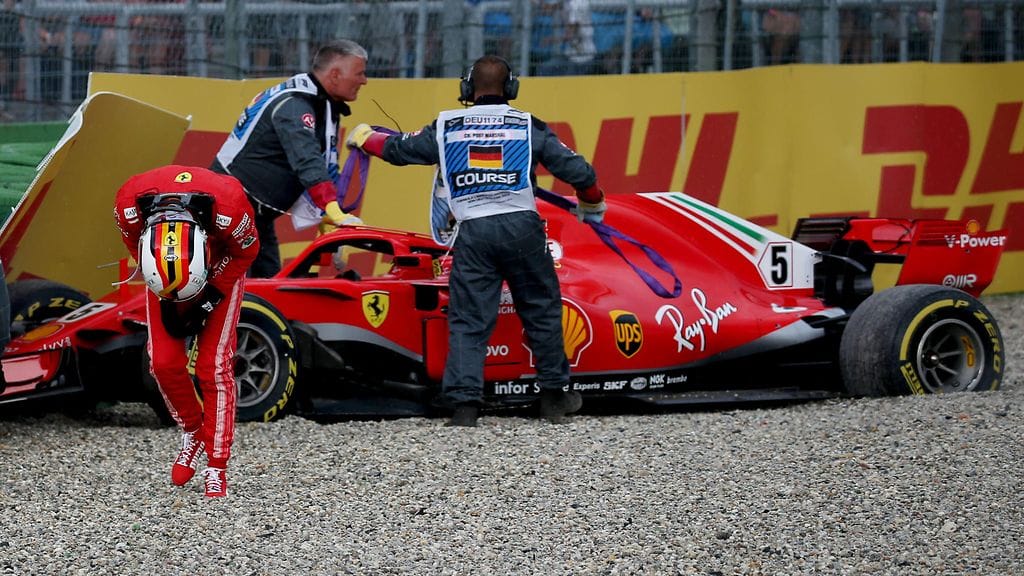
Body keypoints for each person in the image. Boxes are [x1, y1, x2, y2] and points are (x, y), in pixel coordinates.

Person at [347, 55, 606, 427]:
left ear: (468, 88)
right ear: (511, 88)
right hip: (522, 227)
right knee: (542, 311)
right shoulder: (527, 124)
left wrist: (365, 139)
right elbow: (580, 172)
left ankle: (465, 408)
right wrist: (592, 202)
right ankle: (554, 399)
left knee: (469, 319)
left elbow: (398, 150)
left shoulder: (446, 125)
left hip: (473, 231)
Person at [114, 165, 259, 498]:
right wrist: (165, 286)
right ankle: (193, 431)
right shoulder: (128, 206)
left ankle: (217, 465)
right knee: (163, 363)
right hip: (164, 268)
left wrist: (211, 294)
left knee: (213, 367)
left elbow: (247, 251)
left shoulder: (231, 209)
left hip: (222, 262)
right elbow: (133, 244)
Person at [212, 39, 367, 278]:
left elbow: (322, 164)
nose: (364, 81)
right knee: (235, 288)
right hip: (230, 210)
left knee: (269, 288)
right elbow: (306, 159)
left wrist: (325, 214)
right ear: (335, 75)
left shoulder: (321, 102)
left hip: (254, 214)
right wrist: (333, 210)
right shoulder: (295, 103)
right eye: (359, 73)